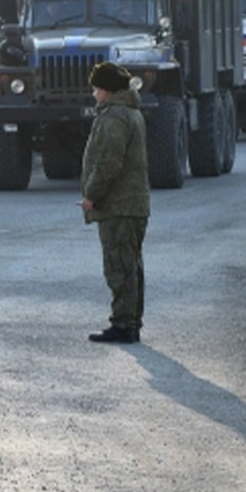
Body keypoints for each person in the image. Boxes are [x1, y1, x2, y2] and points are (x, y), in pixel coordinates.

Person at [79, 61, 149, 344]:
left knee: (119, 266)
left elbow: (109, 162)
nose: (94, 94)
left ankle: (123, 325)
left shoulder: (114, 117)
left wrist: (91, 196)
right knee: (130, 265)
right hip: (132, 205)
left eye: (96, 88)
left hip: (119, 206)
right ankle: (130, 323)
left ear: (107, 90)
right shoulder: (130, 112)